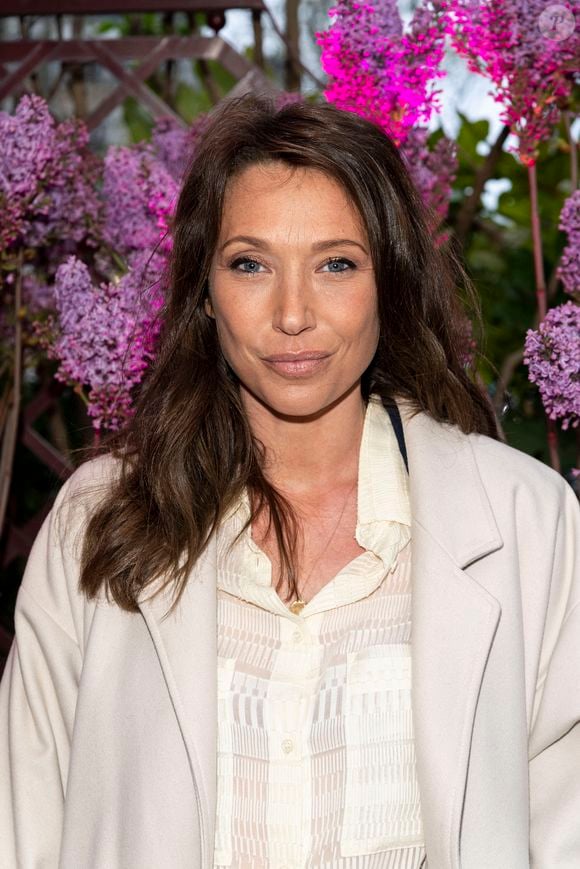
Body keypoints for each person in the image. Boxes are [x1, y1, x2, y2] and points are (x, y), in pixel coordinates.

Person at [0, 92, 578, 869]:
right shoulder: (96, 520)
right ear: (205, 291)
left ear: (391, 281)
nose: (293, 313)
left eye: (336, 263)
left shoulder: (527, 520)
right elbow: (24, 827)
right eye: (251, 264)